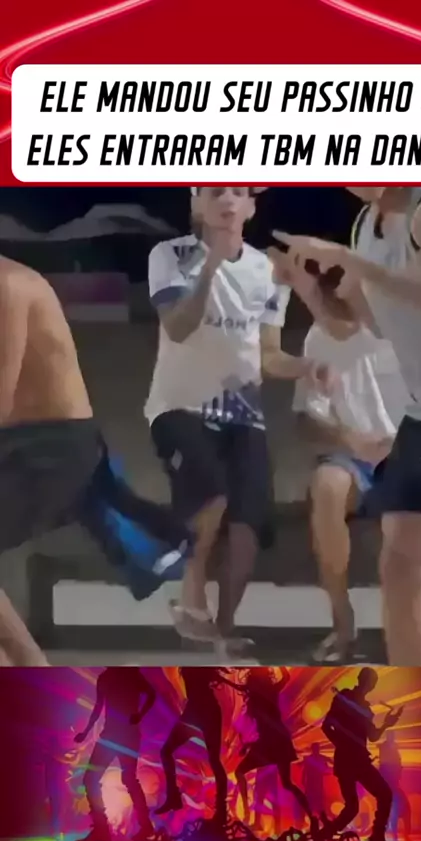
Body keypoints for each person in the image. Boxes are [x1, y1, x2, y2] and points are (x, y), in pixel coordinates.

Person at [273, 186, 421, 667]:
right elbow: (384, 328)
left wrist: (351, 262)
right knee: (401, 564)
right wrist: (326, 290)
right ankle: (415, 696)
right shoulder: (367, 224)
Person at [145, 187, 331, 656]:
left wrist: (305, 367)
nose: (227, 200)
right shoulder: (170, 255)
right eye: (215, 191)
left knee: (248, 524)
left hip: (243, 415)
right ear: (197, 201)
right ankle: (191, 601)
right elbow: (178, 327)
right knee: (212, 492)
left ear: (250, 207)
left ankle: (224, 628)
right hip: (179, 407)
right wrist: (209, 268)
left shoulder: (267, 270)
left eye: (237, 192)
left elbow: (268, 355)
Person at [0, 254, 194, 666]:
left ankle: (33, 670)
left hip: (53, 449)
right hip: (18, 447)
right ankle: (30, 668)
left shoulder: (9, 285)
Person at [269, 250, 409, 662]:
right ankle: (342, 624)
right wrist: (349, 438)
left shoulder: (404, 330)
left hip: (410, 454)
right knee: (327, 486)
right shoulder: (320, 337)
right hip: (355, 457)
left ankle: (406, 630)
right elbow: (306, 421)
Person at [322, 667, 407, 841]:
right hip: (347, 759)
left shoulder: (367, 710)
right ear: (363, 680)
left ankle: (376, 840)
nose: (371, 686)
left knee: (380, 796)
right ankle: (324, 836)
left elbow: (373, 736)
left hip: (359, 759)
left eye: (373, 683)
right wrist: (342, 745)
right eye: (371, 682)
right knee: (355, 806)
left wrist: (386, 723)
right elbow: (326, 725)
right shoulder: (344, 698)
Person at [221, 666, 313, 829]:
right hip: (274, 740)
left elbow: (241, 687)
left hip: (273, 741)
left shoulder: (261, 692)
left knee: (281, 782)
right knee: (286, 783)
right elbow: (284, 677)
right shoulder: (265, 691)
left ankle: (248, 813)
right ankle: (312, 817)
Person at [73, 667, 156, 841]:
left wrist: (140, 715)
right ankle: (106, 829)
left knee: (121, 779)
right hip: (115, 735)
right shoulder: (110, 677)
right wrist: (85, 732)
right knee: (103, 779)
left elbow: (151, 694)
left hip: (123, 735)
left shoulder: (128, 673)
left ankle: (111, 829)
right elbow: (98, 707)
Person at [155, 667, 229, 824]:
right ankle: (173, 797)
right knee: (167, 752)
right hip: (197, 711)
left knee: (214, 760)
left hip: (204, 711)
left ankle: (221, 810)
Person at [378, 731, 411, 841]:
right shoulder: (386, 749)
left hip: (392, 786)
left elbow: (396, 762)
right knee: (394, 811)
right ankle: (395, 836)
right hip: (389, 787)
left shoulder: (391, 749)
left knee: (401, 810)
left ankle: (399, 835)